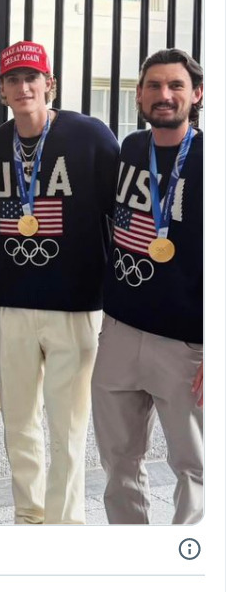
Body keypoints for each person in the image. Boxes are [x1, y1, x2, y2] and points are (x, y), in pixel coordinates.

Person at [0, 41, 119, 524]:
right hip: (12, 303)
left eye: (31, 78)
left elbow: (119, 215)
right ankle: (29, 518)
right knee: (18, 422)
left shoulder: (90, 135)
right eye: (13, 80)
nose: (23, 88)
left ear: (49, 84)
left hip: (75, 304)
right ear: (2, 90)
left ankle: (65, 527)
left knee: (67, 427)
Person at [92, 48, 203, 524]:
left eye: (176, 86)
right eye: (154, 86)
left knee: (195, 469)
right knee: (118, 463)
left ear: (196, 95)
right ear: (138, 95)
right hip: (119, 331)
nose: (164, 95)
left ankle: (188, 569)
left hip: (186, 344)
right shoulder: (131, 149)